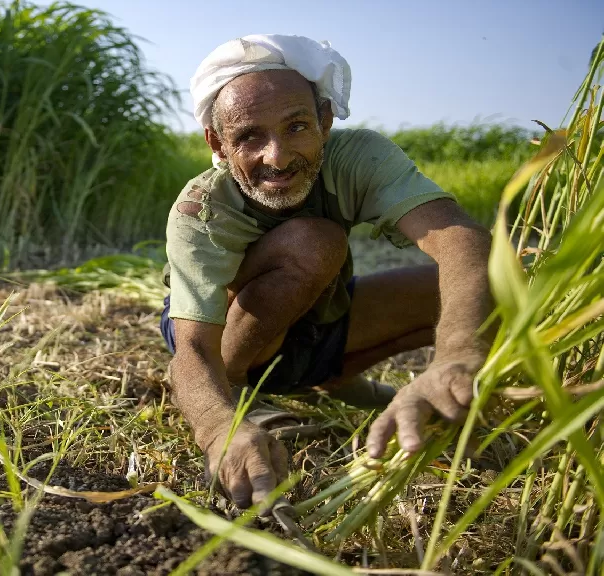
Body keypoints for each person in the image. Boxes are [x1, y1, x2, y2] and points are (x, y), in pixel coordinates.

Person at [160, 35, 494, 510]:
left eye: (296, 127)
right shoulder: (201, 210)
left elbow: (461, 240)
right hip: (226, 339)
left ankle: (332, 381)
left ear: (325, 122)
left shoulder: (359, 159)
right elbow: (192, 344)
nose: (277, 157)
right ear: (217, 142)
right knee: (313, 243)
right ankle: (237, 394)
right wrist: (217, 427)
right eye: (250, 136)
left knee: (493, 284)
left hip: (318, 321)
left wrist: (457, 355)